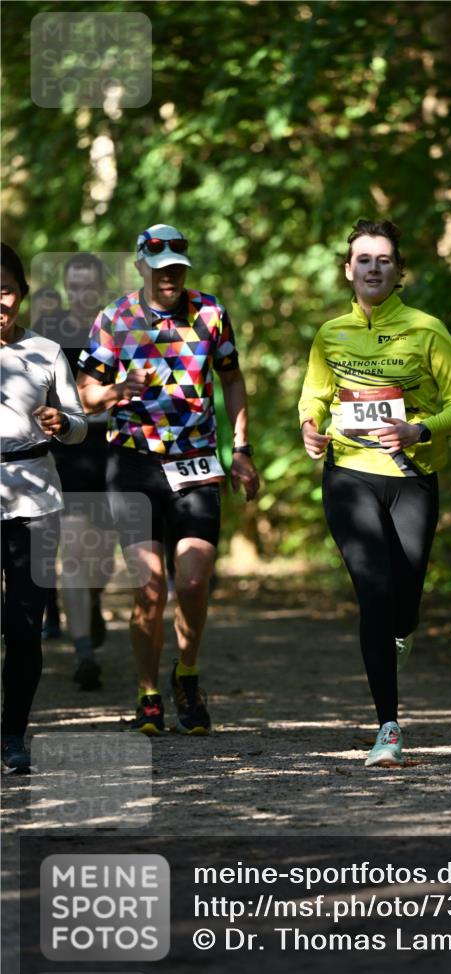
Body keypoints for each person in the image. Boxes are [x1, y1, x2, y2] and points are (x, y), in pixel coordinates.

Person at [299, 219, 451, 767]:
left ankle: (402, 628)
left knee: (405, 597)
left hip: (413, 477)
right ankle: (388, 728)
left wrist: (417, 431)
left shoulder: (427, 331)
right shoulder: (330, 334)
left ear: (399, 272)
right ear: (347, 270)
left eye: (384, 260)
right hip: (349, 473)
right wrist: (309, 425)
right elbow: (315, 397)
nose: (373, 268)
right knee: (373, 592)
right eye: (364, 260)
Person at [76, 224, 259, 736]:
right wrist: (116, 389)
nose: (170, 276)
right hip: (133, 463)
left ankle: (187, 674)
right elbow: (84, 395)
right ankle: (147, 691)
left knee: (195, 582)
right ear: (141, 267)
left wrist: (241, 448)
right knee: (151, 588)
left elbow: (232, 378)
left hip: (197, 462)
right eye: (160, 269)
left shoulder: (210, 313)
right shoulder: (115, 318)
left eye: (178, 267)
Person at [0, 243, 87, 774]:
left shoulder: (48, 351)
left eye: (6, 290)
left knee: (24, 623)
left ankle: (13, 735)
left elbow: (79, 426)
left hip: (34, 494)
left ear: (22, 293)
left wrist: (63, 422)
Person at [35, 253, 112, 688]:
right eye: (75, 285)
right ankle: (84, 652)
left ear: (100, 288)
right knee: (77, 550)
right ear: (68, 288)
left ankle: (93, 603)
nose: (82, 293)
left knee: (100, 556)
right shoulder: (52, 335)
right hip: (68, 452)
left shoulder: (121, 329)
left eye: (89, 285)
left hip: (114, 450)